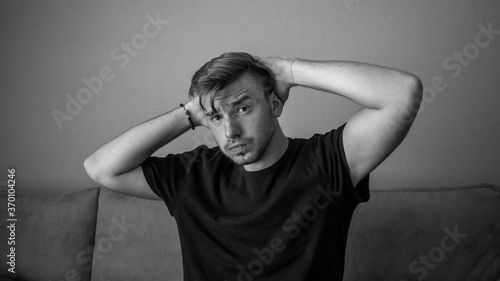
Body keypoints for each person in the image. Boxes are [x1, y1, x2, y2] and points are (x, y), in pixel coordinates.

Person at [84, 52, 423, 280]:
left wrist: (287, 71)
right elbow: (101, 168)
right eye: (215, 117)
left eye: (242, 108)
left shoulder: (327, 162)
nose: (229, 130)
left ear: (274, 103)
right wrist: (188, 112)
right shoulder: (194, 174)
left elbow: (402, 94)